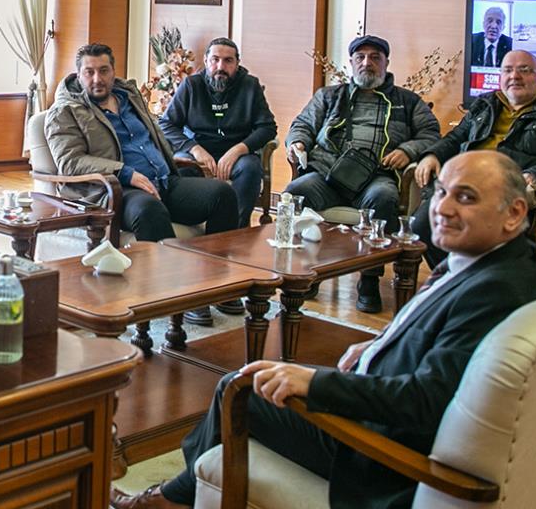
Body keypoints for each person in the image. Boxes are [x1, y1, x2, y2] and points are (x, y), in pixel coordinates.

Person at [110, 151, 536, 509]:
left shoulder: (494, 292)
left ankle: (174, 498)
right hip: (386, 407)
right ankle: (188, 492)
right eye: (441, 192)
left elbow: (424, 401)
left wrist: (314, 384)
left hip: (381, 453)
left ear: (514, 213)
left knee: (241, 387)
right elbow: (437, 341)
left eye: (466, 198)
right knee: (266, 376)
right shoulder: (511, 265)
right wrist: (378, 344)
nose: (443, 208)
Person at [283, 35, 441, 312]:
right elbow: (303, 124)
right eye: (361, 57)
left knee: (384, 197)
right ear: (351, 62)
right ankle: (307, 271)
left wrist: (407, 150)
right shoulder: (330, 96)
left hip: (376, 176)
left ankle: (369, 279)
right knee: (295, 193)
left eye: (375, 57)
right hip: (328, 174)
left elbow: (431, 134)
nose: (367, 63)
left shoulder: (407, 101)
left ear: (386, 63)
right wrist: (297, 142)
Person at [412, 50, 536, 266]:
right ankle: (459, 275)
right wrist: (432, 154)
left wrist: (535, 173)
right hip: (465, 181)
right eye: (508, 70)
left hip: (506, 187)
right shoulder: (485, 104)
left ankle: (477, 277)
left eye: (524, 70)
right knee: (423, 224)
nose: (515, 76)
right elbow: (456, 137)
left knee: (476, 225)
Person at [46, 42, 240, 242]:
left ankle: (217, 259)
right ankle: (172, 263)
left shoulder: (129, 96)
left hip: (164, 182)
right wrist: (125, 173)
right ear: (78, 75)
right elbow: (70, 162)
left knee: (222, 194)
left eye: (104, 71)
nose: (97, 79)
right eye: (89, 72)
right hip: (113, 192)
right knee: (149, 210)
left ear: (113, 72)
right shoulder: (64, 111)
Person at [157, 37, 276, 227]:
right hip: (196, 151)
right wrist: (194, 149)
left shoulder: (250, 86)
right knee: (181, 168)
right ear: (206, 61)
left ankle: (233, 231)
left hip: (237, 154)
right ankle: (188, 227)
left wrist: (238, 150)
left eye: (228, 61)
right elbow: (166, 124)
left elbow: (267, 127)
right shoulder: (191, 85)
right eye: (215, 59)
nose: (221, 66)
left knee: (251, 168)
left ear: (237, 63)